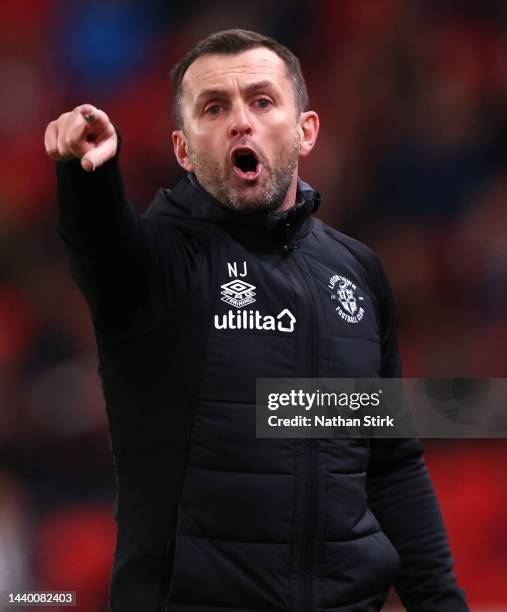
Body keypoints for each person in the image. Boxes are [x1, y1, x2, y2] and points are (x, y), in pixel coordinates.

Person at [44, 29, 469, 612]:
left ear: (305, 130)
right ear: (183, 149)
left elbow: (390, 462)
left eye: (263, 101)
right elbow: (101, 245)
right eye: (214, 108)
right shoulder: (160, 264)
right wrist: (85, 175)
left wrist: (441, 603)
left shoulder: (359, 273)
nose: (240, 121)